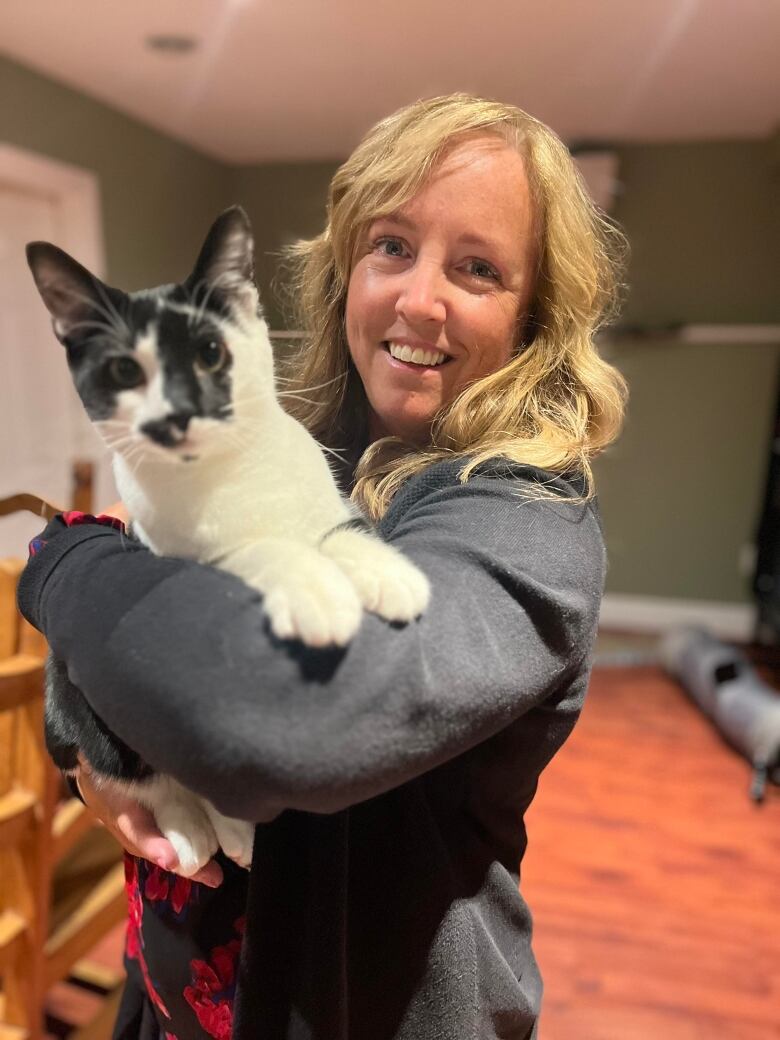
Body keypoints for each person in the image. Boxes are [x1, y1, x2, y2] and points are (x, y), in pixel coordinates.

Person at [18, 93, 627, 1040]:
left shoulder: (527, 524)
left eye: (476, 267)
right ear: (346, 267)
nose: (419, 299)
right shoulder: (292, 450)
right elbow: (143, 661)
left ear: (534, 317)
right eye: (392, 246)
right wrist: (93, 771)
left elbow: (282, 717)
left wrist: (58, 565)